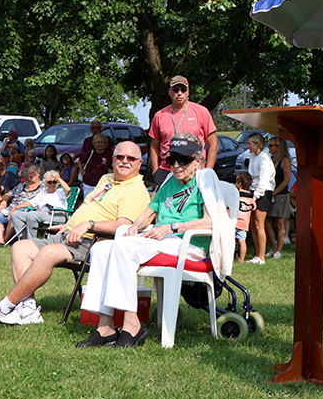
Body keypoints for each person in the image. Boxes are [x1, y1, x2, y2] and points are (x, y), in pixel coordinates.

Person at [0, 141, 149, 326]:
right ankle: (28, 308)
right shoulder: (107, 179)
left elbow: (124, 226)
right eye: (120, 157)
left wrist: (88, 225)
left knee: (48, 252)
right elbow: (90, 207)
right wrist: (70, 224)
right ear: (113, 159)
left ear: (139, 163)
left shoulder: (136, 190)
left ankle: (3, 307)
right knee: (20, 247)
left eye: (130, 158)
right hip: (69, 235)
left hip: (94, 243)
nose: (124, 161)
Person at [75, 133, 232, 348]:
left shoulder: (204, 181)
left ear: (198, 161)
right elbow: (150, 213)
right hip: (164, 241)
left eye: (183, 160)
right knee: (101, 249)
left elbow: (211, 222)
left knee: (123, 247)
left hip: (189, 245)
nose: (176, 166)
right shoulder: (170, 181)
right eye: (172, 159)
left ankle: (132, 325)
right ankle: (105, 327)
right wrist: (133, 227)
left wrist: (172, 227)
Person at [148, 75, 218, 185]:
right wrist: (155, 171)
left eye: (183, 89)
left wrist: (207, 171)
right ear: (169, 92)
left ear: (188, 91)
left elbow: (213, 144)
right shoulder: (159, 115)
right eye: (175, 90)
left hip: (193, 170)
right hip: (167, 170)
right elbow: (154, 146)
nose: (179, 93)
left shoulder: (201, 112)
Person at [0, 163, 44, 245]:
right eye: (29, 173)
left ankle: (5, 241)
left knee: (15, 215)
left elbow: (33, 203)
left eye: (33, 172)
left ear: (38, 173)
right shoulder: (22, 185)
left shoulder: (42, 187)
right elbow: (8, 194)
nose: (31, 175)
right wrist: (4, 201)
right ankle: (0, 241)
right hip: (11, 208)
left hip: (26, 210)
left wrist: (15, 208)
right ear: (26, 175)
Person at [8, 170, 70, 240]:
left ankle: (32, 241)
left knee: (31, 215)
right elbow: (30, 203)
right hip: (41, 214)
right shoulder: (43, 193)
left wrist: (58, 178)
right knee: (16, 214)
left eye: (54, 182)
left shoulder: (61, 192)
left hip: (56, 214)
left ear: (58, 182)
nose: (52, 184)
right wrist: (15, 208)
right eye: (49, 182)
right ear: (45, 183)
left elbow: (68, 189)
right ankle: (23, 237)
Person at [246, 132, 275, 265]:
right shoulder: (252, 156)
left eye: (250, 144)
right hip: (253, 191)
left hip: (263, 192)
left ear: (258, 144)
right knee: (252, 223)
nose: (248, 146)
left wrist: (255, 196)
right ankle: (257, 254)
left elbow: (263, 181)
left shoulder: (265, 159)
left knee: (259, 224)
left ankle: (262, 257)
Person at [264, 136, 292, 259]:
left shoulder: (285, 160)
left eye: (271, 145)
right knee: (267, 223)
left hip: (280, 195)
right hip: (270, 194)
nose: (269, 147)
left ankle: (279, 251)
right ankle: (274, 248)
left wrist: (275, 192)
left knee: (280, 224)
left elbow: (286, 180)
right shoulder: (270, 159)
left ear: (279, 147)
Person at [74, 126, 113, 198]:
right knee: (88, 201)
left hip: (102, 184)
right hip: (89, 183)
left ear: (105, 143)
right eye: (98, 142)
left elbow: (112, 167)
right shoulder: (90, 153)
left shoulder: (108, 155)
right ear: (94, 143)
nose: (100, 144)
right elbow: (79, 160)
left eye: (102, 142)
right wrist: (82, 170)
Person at [235, 172, 255, 263]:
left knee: (231, 240)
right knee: (242, 241)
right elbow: (254, 207)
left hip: (235, 220)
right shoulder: (251, 197)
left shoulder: (236, 194)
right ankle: (241, 259)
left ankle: (229, 257)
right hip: (244, 222)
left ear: (239, 184)